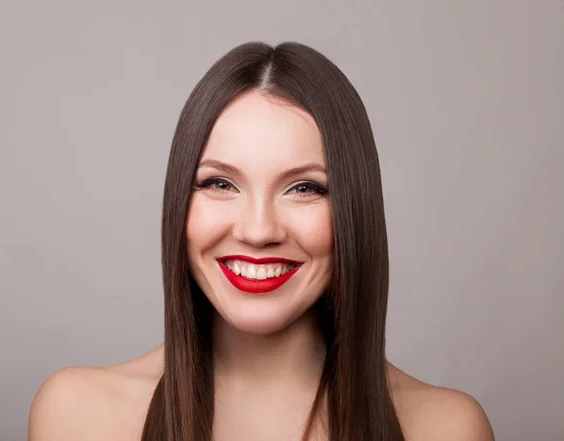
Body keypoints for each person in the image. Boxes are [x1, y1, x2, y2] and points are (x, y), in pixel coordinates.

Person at [28, 41, 495, 441]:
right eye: (219, 184)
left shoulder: (446, 427)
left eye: (305, 188)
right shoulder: (77, 416)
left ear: (353, 209)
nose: (257, 231)